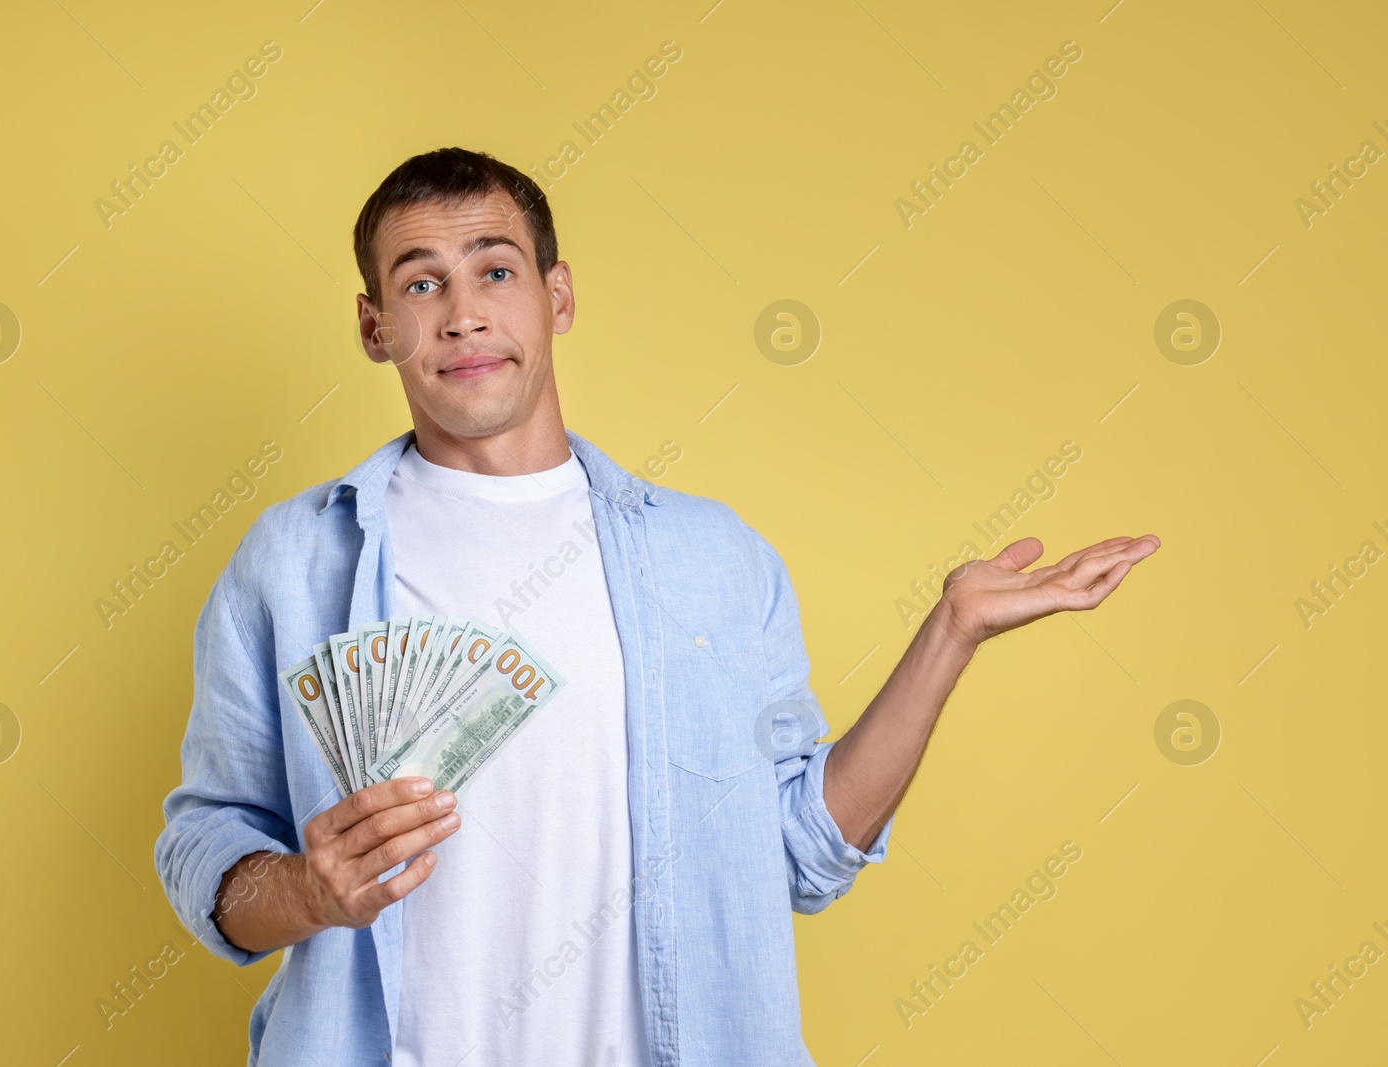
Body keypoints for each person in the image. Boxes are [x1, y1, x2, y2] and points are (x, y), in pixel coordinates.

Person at [153, 146, 1159, 1066]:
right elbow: (209, 853)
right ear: (376, 326)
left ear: (557, 296)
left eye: (494, 270)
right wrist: (305, 890)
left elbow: (801, 854)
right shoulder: (290, 563)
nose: (461, 313)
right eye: (421, 282)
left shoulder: (713, 559)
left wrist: (949, 635)